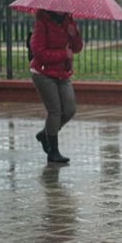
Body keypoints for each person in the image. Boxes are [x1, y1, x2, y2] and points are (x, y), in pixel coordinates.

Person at [30, 9, 83, 163]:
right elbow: (38, 52)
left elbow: (77, 48)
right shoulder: (42, 22)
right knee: (55, 111)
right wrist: (63, 54)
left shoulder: (68, 20)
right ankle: (53, 152)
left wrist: (74, 35)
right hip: (43, 73)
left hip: (62, 72)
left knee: (70, 109)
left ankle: (45, 134)